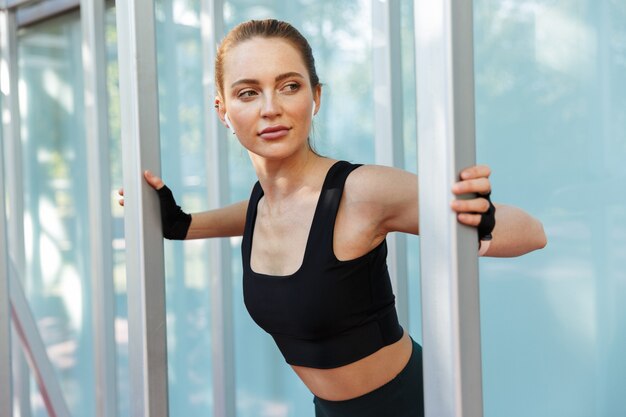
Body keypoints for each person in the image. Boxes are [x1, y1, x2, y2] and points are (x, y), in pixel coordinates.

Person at [119, 19, 547, 417]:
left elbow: (533, 234)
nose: (270, 108)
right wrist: (182, 224)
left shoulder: (362, 192)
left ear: (315, 97)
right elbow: (252, 216)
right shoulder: (262, 204)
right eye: (248, 92)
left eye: (289, 86)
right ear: (222, 111)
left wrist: (482, 218)